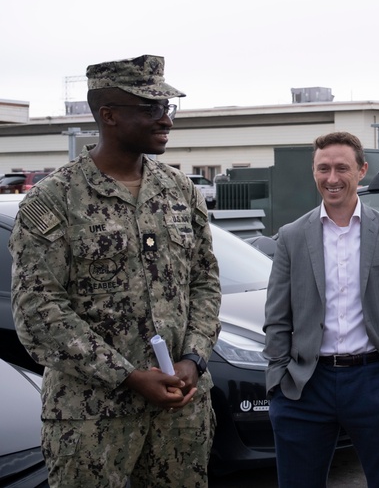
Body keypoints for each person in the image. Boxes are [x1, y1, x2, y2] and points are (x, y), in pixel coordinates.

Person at [9, 54, 221, 487]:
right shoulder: (54, 200)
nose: (166, 120)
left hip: (180, 416)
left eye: (167, 108)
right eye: (150, 108)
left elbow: (205, 283)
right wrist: (127, 375)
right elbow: (38, 313)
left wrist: (194, 358)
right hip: (91, 420)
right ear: (108, 115)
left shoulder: (181, 190)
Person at [263, 131, 379, 487]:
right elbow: (277, 316)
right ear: (314, 172)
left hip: (374, 381)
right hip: (306, 386)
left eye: (342, 168)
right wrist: (278, 381)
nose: (332, 178)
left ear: (362, 170)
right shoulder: (291, 236)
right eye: (323, 168)